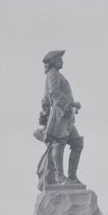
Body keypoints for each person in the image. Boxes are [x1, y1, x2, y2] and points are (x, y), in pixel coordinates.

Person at [34, 50, 84, 190]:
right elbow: (54, 93)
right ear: (53, 61)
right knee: (59, 143)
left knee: (77, 143)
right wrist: (71, 104)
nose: (62, 61)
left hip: (65, 115)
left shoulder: (56, 74)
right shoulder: (53, 74)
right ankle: (60, 177)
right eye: (59, 59)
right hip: (59, 115)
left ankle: (72, 176)